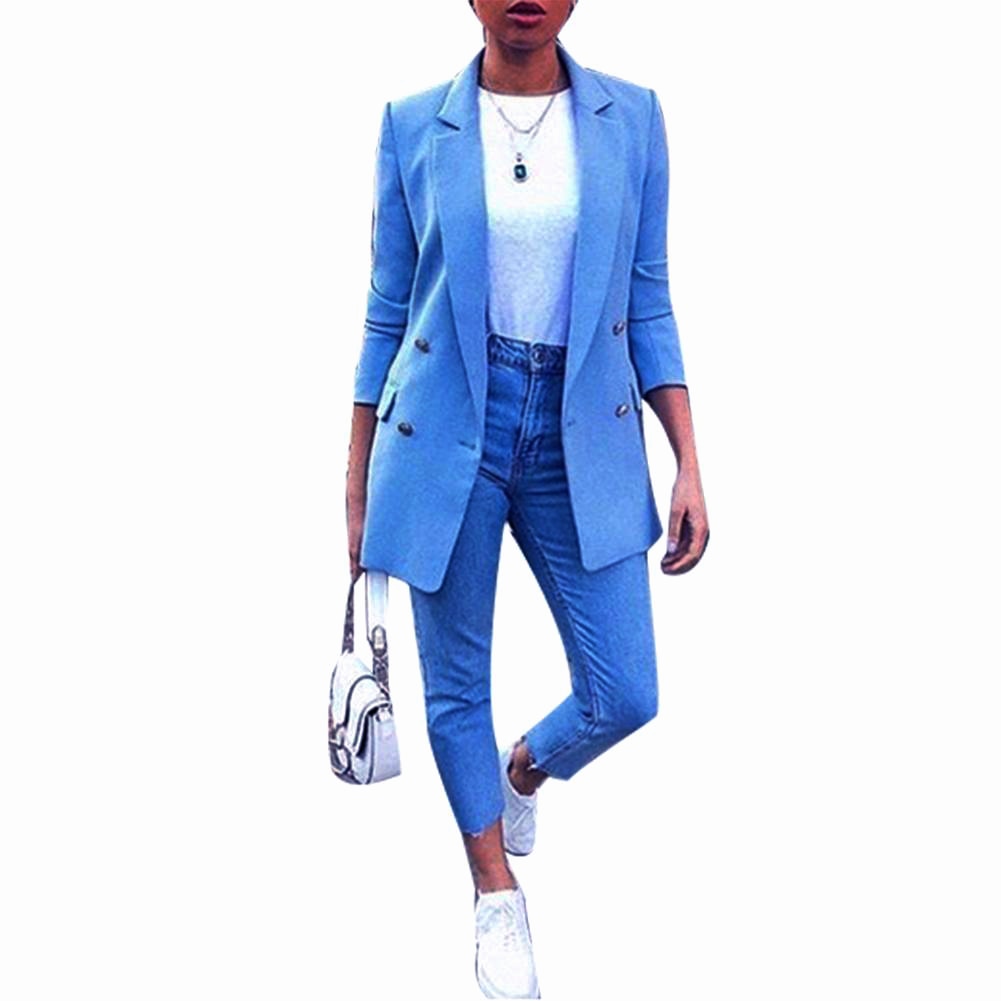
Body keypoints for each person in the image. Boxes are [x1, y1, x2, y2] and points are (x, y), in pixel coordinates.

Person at [344, 1, 709, 995]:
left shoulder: (632, 119)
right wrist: (356, 476)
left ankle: (523, 770)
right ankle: (493, 893)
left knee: (624, 689)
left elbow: (647, 296)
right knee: (455, 682)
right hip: (441, 427)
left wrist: (686, 457)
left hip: (581, 425)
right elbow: (385, 308)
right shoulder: (412, 124)